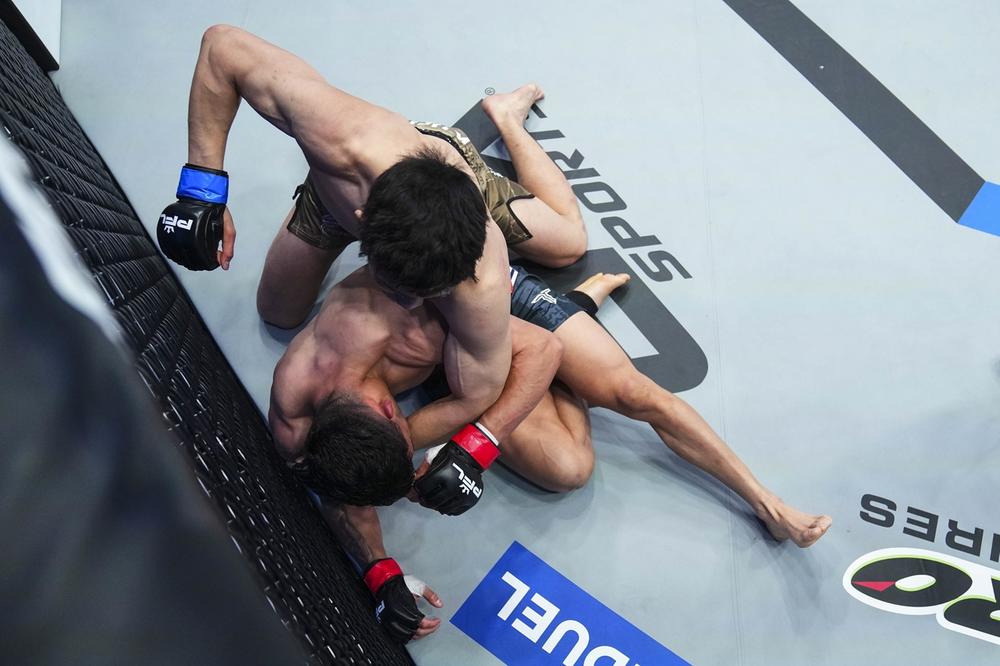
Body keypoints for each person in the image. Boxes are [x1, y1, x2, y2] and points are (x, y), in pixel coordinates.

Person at [268, 266, 832, 642]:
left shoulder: (406, 329)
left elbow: (542, 349)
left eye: (410, 443)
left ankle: (768, 502)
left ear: (391, 414)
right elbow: (338, 488)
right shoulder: (295, 408)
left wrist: (475, 444)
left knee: (631, 393)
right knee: (569, 468)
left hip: (492, 313)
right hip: (456, 373)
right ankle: (547, 369)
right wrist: (380, 571)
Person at [158, 24, 587, 451]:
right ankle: (322, 199)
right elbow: (223, 47)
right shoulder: (343, 139)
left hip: (456, 184)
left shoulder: (481, 279)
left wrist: (401, 451)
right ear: (364, 223)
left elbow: (477, 394)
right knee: (276, 312)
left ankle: (508, 119)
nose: (412, 305)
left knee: (569, 245)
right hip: (338, 196)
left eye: (426, 292)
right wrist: (201, 193)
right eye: (400, 289)